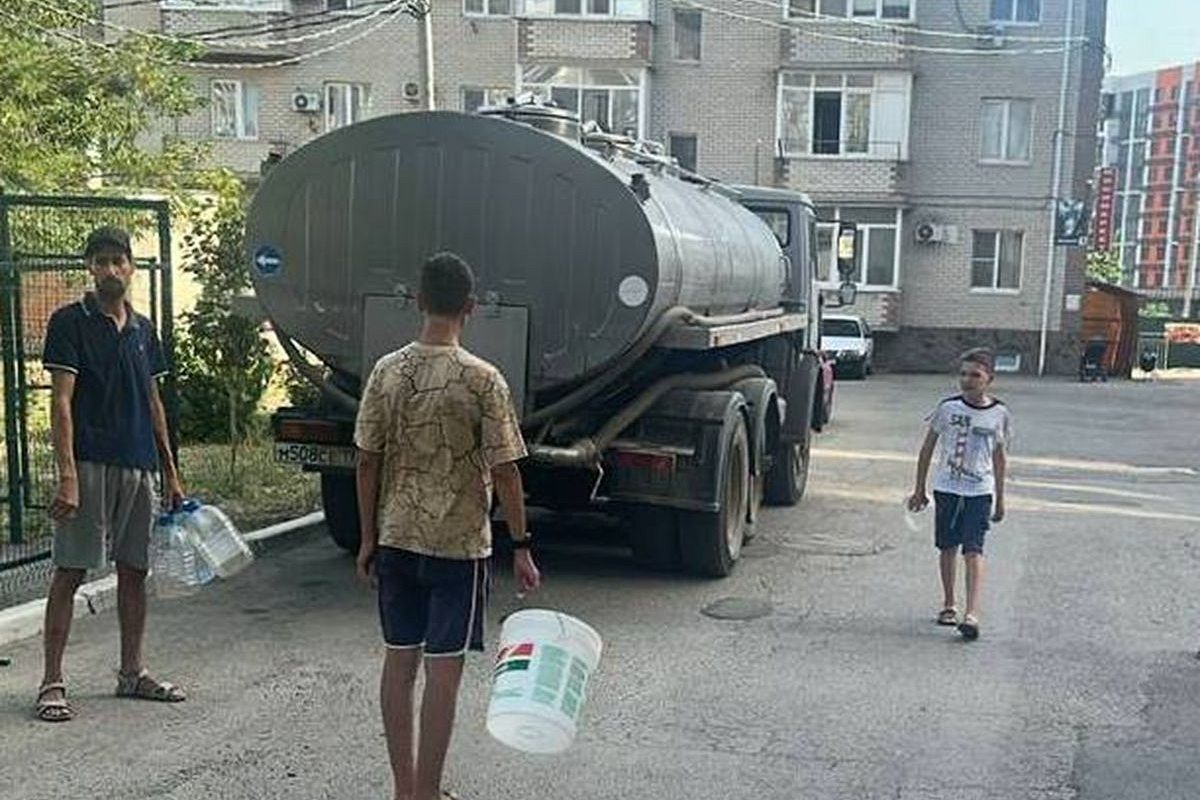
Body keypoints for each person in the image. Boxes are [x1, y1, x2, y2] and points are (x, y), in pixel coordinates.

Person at [354, 251, 541, 800]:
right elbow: (506, 471)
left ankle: (403, 789)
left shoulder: (387, 371)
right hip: (459, 548)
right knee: (443, 672)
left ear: (418, 301)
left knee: (399, 663)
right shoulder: (483, 380)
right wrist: (522, 545)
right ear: (471, 308)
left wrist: (367, 538)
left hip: (397, 539)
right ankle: (427, 793)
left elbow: (366, 460)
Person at [35, 226, 187, 722]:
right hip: (89, 463)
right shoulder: (69, 323)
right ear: (90, 268)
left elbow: (153, 401)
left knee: (134, 570)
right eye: (100, 261)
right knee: (71, 570)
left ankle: (132, 673)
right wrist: (68, 475)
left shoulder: (143, 330)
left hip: (138, 463)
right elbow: (61, 403)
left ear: (131, 267)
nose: (110, 270)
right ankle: (52, 682)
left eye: (118, 260)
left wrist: (170, 471)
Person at [906, 348, 1011, 641]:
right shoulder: (948, 409)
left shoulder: (999, 414)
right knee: (948, 547)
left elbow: (1000, 457)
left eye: (975, 375)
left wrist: (1000, 498)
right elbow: (927, 448)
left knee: (974, 549)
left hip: (979, 491)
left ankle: (972, 614)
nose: (967, 380)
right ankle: (949, 603)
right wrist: (919, 489)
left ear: (989, 379)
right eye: (963, 374)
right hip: (948, 488)